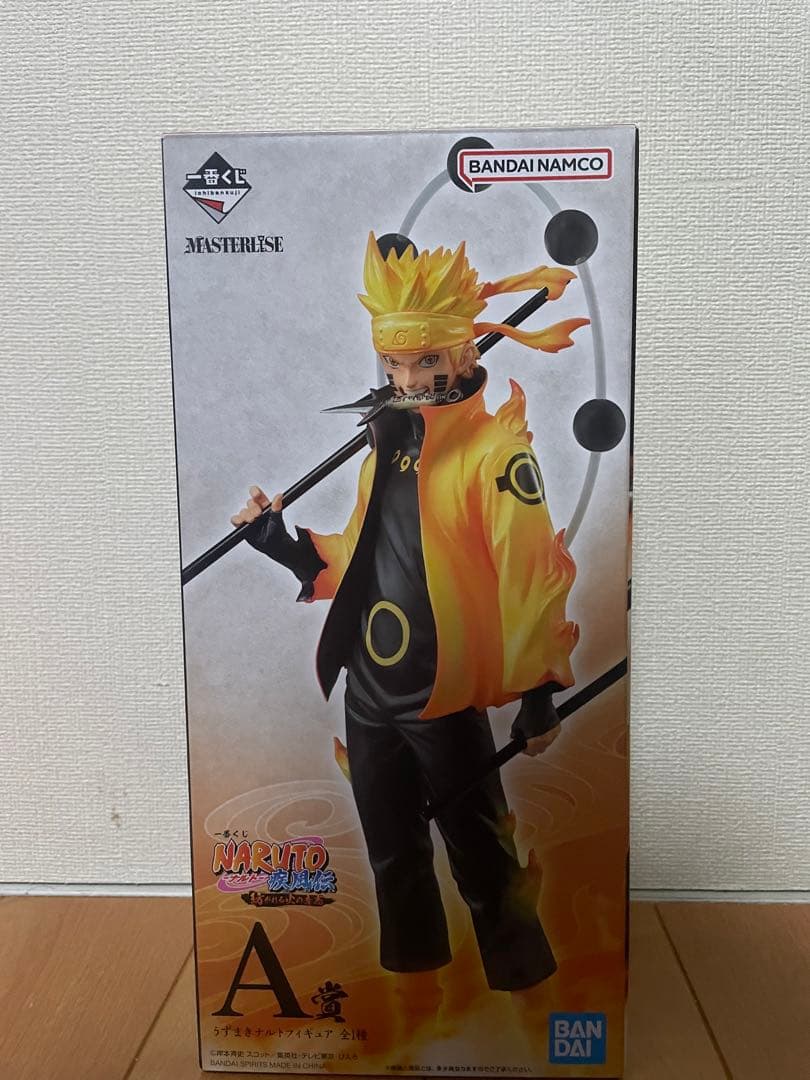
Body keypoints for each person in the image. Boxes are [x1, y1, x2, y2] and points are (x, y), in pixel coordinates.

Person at [231, 234, 586, 1012]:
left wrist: (538, 692)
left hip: (442, 690)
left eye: (427, 361)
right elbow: (360, 558)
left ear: (463, 352)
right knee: (392, 851)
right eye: (395, 364)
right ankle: (414, 999)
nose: (410, 379)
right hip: (370, 689)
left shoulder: (494, 456)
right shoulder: (383, 453)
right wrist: (280, 544)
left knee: (482, 852)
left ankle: (527, 997)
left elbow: (529, 573)